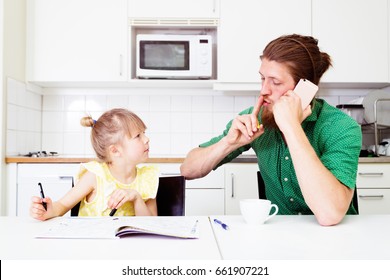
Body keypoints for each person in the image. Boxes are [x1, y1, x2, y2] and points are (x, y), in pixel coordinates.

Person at [181, 34, 362, 226]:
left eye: (275, 82)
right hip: (279, 235)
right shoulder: (257, 118)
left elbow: (329, 215)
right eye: (262, 79)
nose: (264, 90)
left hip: (337, 239)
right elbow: (188, 170)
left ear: (305, 88)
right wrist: (228, 143)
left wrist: (291, 127)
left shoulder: (341, 127)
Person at [30, 108, 159, 220]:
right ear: (115, 150)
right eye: (138, 136)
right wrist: (48, 210)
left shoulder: (147, 178)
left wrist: (136, 198)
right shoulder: (95, 175)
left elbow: (152, 224)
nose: (147, 139)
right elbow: (62, 206)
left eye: (144, 133)